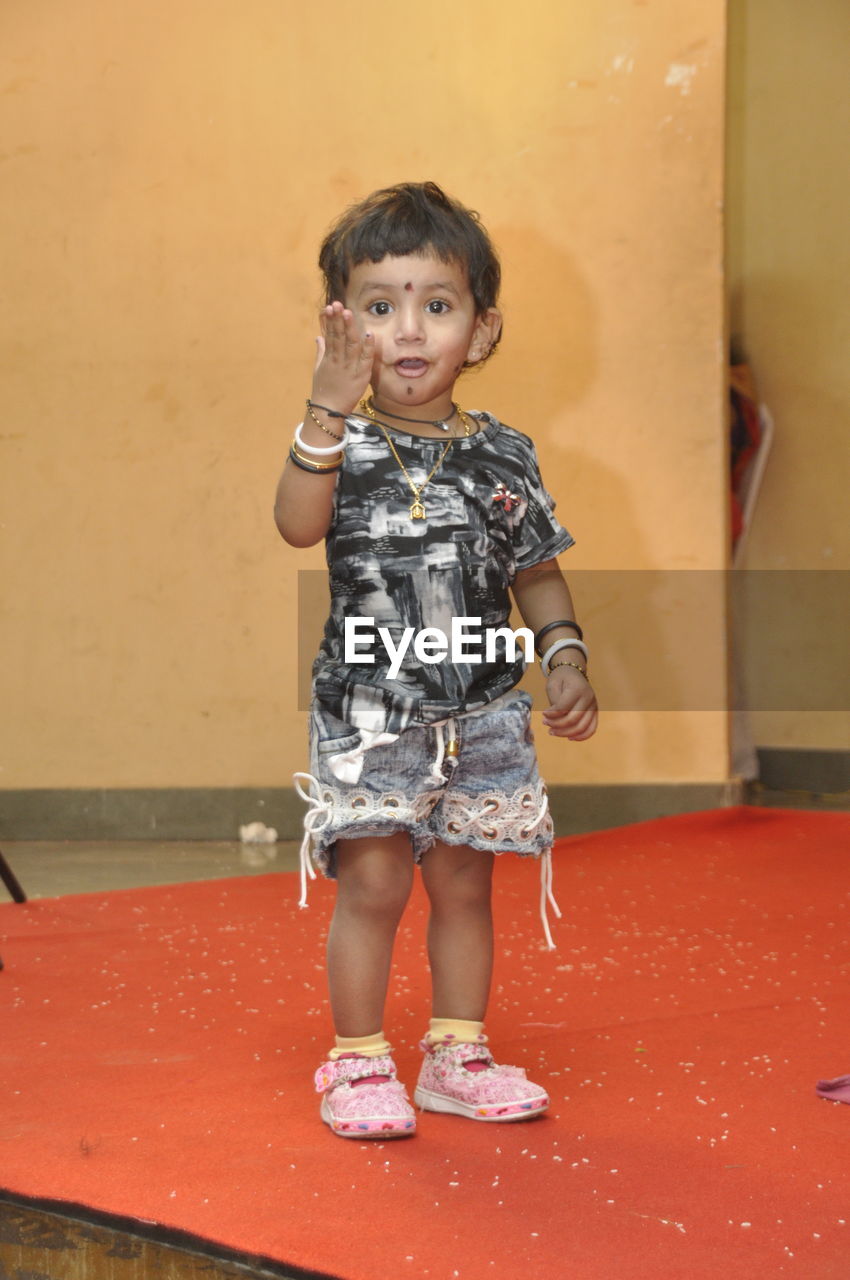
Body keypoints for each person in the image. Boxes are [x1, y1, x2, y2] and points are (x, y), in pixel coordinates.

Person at [274, 182, 598, 1139]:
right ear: (341, 326)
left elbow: (536, 570)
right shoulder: (339, 441)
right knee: (373, 883)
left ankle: (456, 1055)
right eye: (379, 307)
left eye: (437, 305)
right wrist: (324, 414)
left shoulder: (506, 452)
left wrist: (566, 654)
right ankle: (357, 1061)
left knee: (465, 881)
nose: (408, 330)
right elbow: (296, 527)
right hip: (372, 707)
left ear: (483, 329)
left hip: (485, 710)